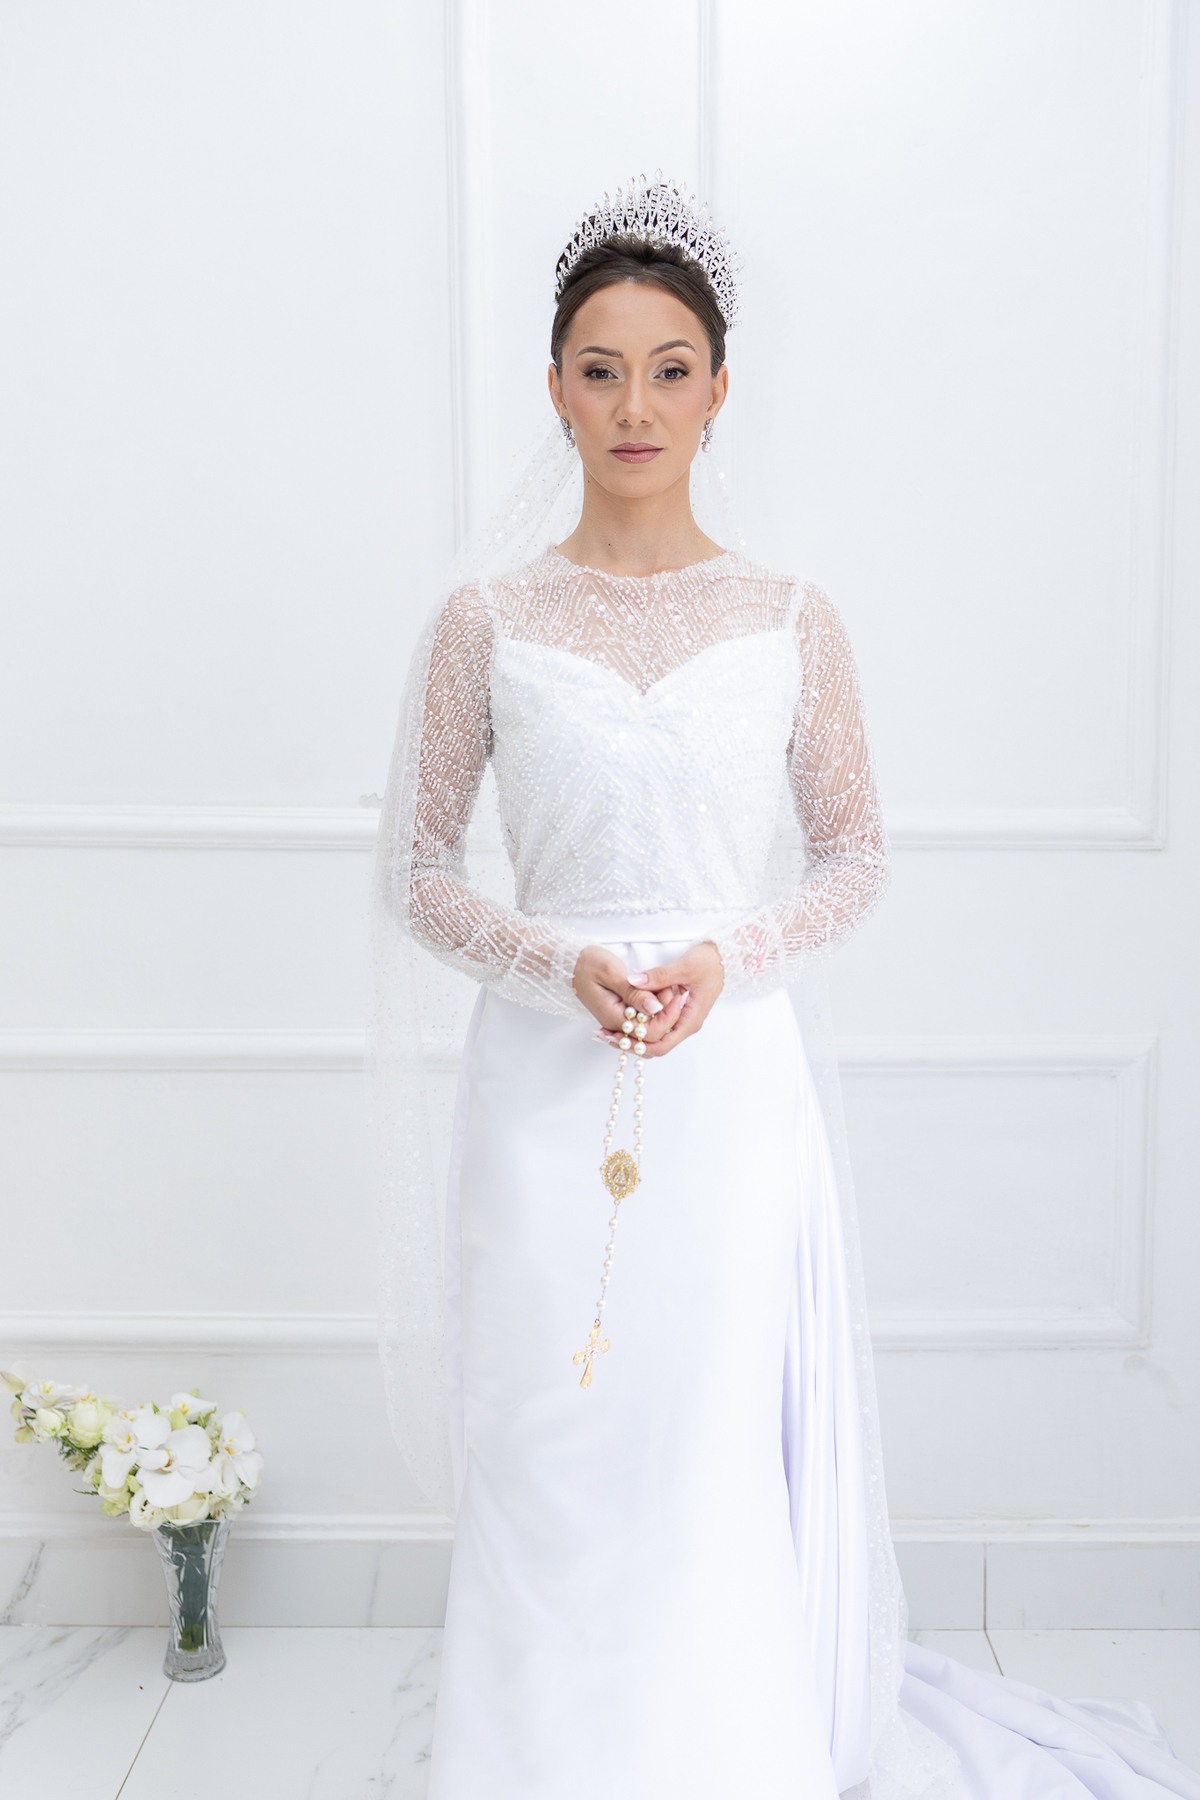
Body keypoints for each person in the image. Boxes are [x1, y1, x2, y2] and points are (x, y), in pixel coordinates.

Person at [370, 177, 1198, 1800]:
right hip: (543, 1077)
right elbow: (418, 874)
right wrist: (558, 961)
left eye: (670, 369)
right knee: (550, 1417)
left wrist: (726, 956)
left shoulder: (792, 617)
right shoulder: (483, 621)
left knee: (704, 1427)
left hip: (727, 1079)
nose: (636, 405)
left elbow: (855, 857)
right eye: (601, 369)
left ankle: (722, 1751)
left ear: (720, 389)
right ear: (554, 390)